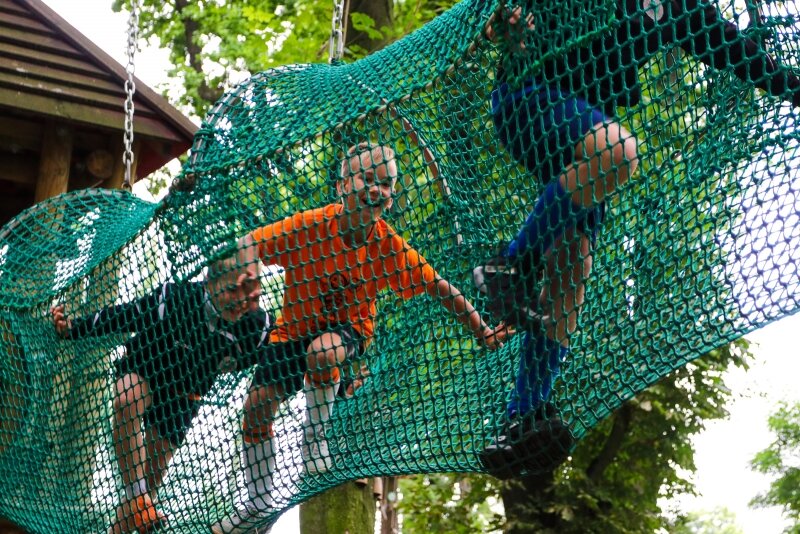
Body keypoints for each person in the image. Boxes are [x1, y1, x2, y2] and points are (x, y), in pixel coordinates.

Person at [473, 0, 800, 478]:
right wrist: (504, 21)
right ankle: (511, 264)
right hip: (531, 96)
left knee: (571, 270)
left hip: (584, 133)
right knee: (619, 152)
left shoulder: (681, 8)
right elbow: (503, 16)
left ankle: (522, 416)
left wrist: (793, 87)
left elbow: (737, 52)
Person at [211, 142, 512, 534]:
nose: (376, 190)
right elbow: (251, 243)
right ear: (342, 186)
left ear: (392, 196)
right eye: (367, 179)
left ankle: (314, 439)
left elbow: (440, 287)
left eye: (386, 184)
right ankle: (258, 503)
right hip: (291, 331)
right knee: (256, 409)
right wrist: (246, 275)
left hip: (347, 331)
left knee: (323, 353)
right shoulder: (310, 226)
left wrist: (482, 330)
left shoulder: (388, 247)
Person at [51, 247, 271, 533]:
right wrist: (74, 328)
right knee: (127, 399)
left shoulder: (255, 326)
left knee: (144, 496)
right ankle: (137, 497)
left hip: (182, 398)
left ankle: (132, 509)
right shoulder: (174, 298)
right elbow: (125, 315)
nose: (240, 300)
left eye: (246, 293)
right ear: (209, 282)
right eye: (231, 290)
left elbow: (284, 347)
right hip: (146, 370)